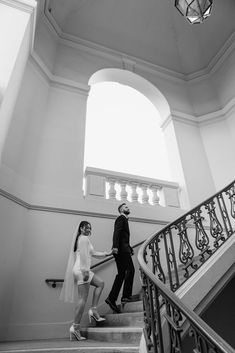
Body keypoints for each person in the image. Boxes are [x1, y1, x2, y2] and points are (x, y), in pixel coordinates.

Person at [60, 221, 112, 341]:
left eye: (90, 228)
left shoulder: (83, 239)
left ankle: (93, 310)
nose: (89, 230)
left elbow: (92, 253)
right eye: (87, 228)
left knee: (100, 283)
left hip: (82, 269)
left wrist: (106, 253)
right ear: (81, 228)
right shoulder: (83, 239)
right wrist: (85, 272)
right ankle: (75, 327)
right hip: (82, 270)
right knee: (82, 299)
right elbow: (83, 255)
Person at [105, 203, 135, 313]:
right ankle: (126, 296)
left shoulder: (124, 220)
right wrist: (116, 247)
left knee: (121, 274)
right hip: (121, 250)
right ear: (121, 209)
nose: (128, 208)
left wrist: (129, 248)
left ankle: (111, 298)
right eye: (126, 207)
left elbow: (123, 237)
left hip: (123, 249)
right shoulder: (121, 218)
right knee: (130, 270)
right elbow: (116, 233)